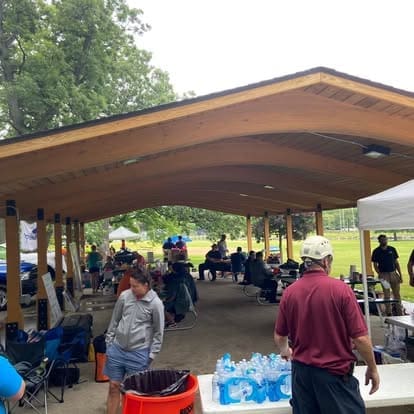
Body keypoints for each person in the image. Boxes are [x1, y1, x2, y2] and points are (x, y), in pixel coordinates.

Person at [274, 235, 379, 414]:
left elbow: (280, 336)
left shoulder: (290, 292)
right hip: (333, 375)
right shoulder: (341, 290)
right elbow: (360, 338)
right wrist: (372, 367)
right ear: (325, 260)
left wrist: (285, 351)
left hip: (301, 376)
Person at [104, 270, 164, 414]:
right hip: (117, 349)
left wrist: (151, 355)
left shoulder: (155, 304)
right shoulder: (125, 297)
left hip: (139, 353)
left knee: (134, 393)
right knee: (113, 386)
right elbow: (115, 320)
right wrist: (109, 343)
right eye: (131, 285)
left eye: (136, 286)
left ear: (146, 285)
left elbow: (158, 332)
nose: (132, 289)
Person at [371, 234, 403, 315]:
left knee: (397, 294)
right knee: (387, 294)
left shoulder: (392, 249)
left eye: (385, 239)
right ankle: (389, 312)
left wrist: (400, 275)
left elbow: (396, 263)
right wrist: (379, 273)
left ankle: (399, 312)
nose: (384, 241)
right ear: (379, 241)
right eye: (382, 240)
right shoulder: (376, 251)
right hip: (384, 275)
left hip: (393, 273)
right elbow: (375, 264)